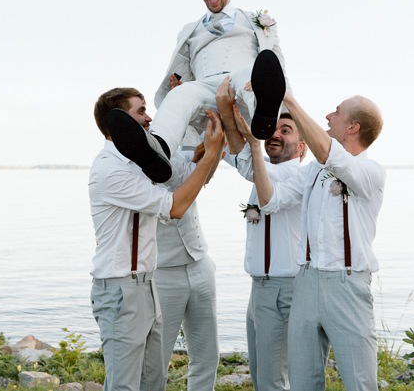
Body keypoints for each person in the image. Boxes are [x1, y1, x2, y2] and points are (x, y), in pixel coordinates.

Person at [230, 90, 385, 391]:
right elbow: (270, 200)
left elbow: (333, 158)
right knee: (303, 382)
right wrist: (252, 143)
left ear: (353, 127)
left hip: (346, 286)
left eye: (337, 112)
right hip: (305, 282)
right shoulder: (313, 171)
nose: (329, 116)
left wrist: (288, 98)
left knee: (360, 383)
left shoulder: (371, 172)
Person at [109, 0, 287, 184]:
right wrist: (182, 84)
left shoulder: (255, 20)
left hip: (244, 83)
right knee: (180, 95)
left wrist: (287, 113)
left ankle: (263, 118)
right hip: (205, 88)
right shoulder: (189, 31)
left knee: (251, 77)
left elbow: (276, 67)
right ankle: (157, 150)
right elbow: (184, 70)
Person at [89, 87, 224, 391]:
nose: (149, 118)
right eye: (141, 111)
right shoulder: (111, 169)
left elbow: (187, 175)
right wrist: (210, 154)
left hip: (147, 283)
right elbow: (175, 207)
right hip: (121, 288)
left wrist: (206, 149)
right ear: (120, 121)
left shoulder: (141, 161)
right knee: (125, 385)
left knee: (153, 383)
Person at [216, 79, 306, 391]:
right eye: (273, 129)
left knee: (272, 380)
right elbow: (231, 152)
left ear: (303, 146)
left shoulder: (296, 174)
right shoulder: (262, 170)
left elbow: (245, 161)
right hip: (259, 287)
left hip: (285, 289)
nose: (275, 135)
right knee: (261, 375)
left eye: (286, 131)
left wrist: (231, 116)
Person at [154, 156, 219, 390]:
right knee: (155, 362)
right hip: (162, 272)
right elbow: (172, 207)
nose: (148, 118)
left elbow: (204, 172)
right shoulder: (131, 160)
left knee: (207, 356)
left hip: (200, 263)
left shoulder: (178, 151)